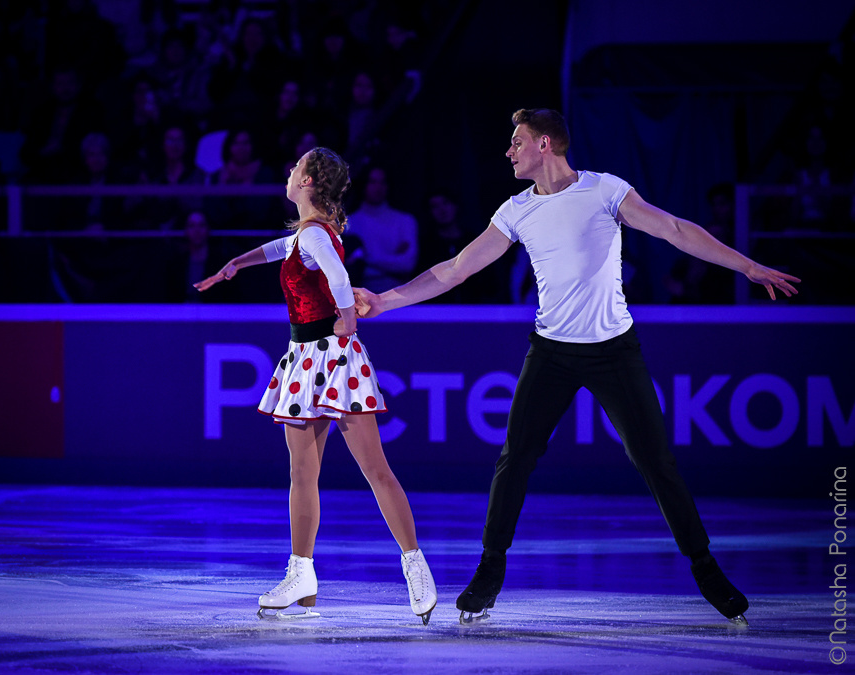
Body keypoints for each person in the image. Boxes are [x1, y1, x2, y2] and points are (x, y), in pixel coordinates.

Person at [354, 108, 800, 625]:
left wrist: (747, 265)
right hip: (551, 353)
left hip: (614, 350)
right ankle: (489, 571)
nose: (508, 150)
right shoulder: (515, 210)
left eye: (516, 140)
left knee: (656, 462)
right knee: (513, 459)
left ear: (546, 143)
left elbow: (674, 229)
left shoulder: (604, 189)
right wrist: (385, 301)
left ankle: (706, 570)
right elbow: (456, 269)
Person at [193, 146, 437, 623]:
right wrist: (236, 265)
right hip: (305, 356)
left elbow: (339, 277)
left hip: (331, 355)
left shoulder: (316, 238)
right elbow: (279, 251)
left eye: (296, 167)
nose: (288, 170)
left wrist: (347, 318)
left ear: (308, 183)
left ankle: (415, 565)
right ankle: (301, 576)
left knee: (375, 470)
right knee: (302, 473)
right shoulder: (308, 234)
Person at [346, 166, 419, 292]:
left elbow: (407, 264)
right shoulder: (348, 223)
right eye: (373, 182)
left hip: (399, 295)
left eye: (382, 182)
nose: (378, 187)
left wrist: (365, 258)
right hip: (359, 296)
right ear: (364, 185)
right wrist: (391, 260)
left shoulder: (405, 221)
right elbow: (348, 269)